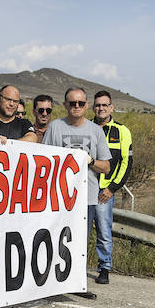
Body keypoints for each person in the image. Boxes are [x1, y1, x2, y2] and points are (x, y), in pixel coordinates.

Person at [43, 88, 112, 274]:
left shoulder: (96, 131)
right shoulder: (55, 127)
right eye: (72, 103)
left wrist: (89, 161)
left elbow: (106, 167)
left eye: (80, 103)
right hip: (59, 195)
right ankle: (54, 277)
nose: (76, 106)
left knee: (80, 239)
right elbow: (44, 161)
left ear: (86, 105)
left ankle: (76, 278)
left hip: (86, 197)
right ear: (65, 104)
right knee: (56, 236)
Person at [91, 90, 131, 284]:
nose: (101, 108)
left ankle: (104, 268)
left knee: (104, 231)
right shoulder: (86, 128)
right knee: (79, 229)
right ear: (93, 107)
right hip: (84, 189)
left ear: (111, 107)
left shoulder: (121, 131)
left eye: (105, 105)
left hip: (104, 192)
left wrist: (112, 188)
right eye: (98, 105)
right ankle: (74, 269)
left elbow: (126, 164)